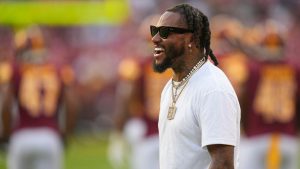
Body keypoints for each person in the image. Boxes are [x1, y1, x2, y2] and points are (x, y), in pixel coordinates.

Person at [150, 3, 240, 169]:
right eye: (154, 31)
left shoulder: (212, 89)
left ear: (191, 39)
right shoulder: (171, 87)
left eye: (164, 32)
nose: (155, 38)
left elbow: (223, 164)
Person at [1, 26, 77, 169]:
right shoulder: (59, 69)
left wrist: (5, 135)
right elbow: (72, 104)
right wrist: (66, 134)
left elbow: (5, 104)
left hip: (21, 136)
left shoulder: (14, 70)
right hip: (50, 135)